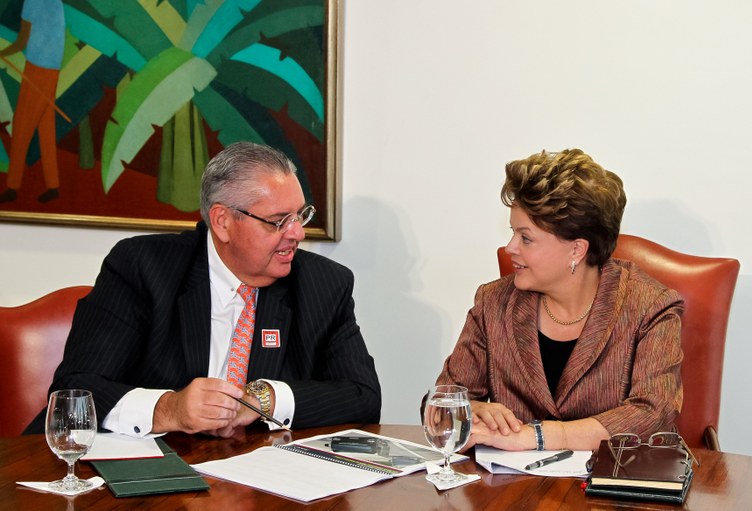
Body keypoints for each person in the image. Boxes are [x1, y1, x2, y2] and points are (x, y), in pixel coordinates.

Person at [25, 142, 382, 437]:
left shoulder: (323, 285)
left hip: (258, 484)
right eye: (278, 222)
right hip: (147, 482)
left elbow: (363, 396)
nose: (297, 234)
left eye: (300, 216)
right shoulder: (143, 268)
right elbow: (75, 390)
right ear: (223, 222)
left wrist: (263, 398)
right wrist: (169, 409)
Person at [435, 148, 683, 452]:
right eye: (513, 233)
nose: (510, 247)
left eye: (526, 238)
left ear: (577, 249)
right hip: (512, 492)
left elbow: (652, 414)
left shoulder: (649, 307)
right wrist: (470, 410)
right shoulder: (494, 302)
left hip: (608, 492)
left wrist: (535, 436)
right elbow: (440, 405)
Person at [0, 0, 66, 203]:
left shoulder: (32, 2)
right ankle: (53, 185)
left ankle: (12, 187)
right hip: (52, 71)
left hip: (37, 70)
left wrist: (1, 53)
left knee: (21, 127)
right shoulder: (56, 2)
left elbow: (22, 41)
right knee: (46, 129)